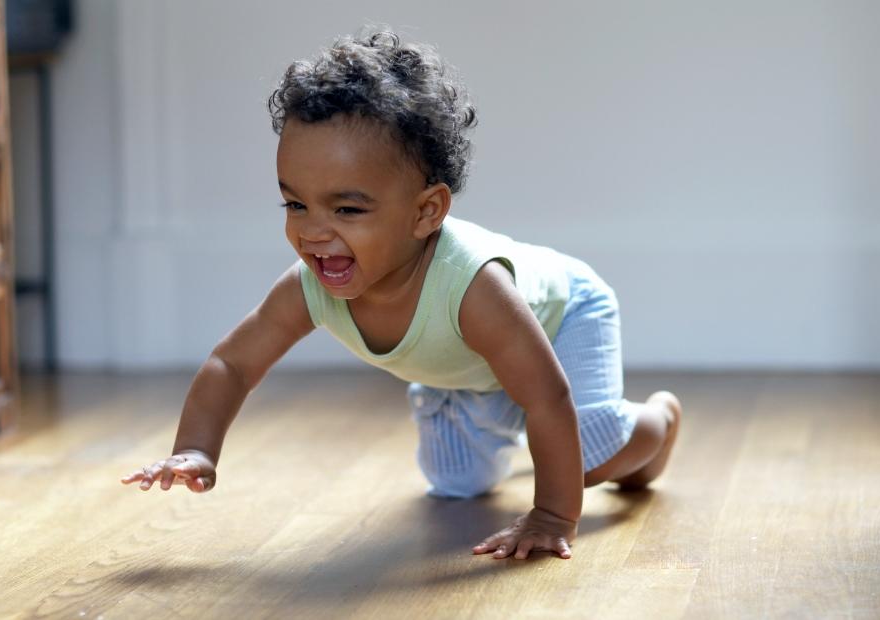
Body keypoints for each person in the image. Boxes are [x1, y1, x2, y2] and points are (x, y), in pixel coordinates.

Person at [121, 28, 681, 561]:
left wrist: (553, 515)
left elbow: (548, 397)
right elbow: (232, 364)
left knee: (586, 458)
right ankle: (498, 417)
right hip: (475, 365)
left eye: (347, 209)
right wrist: (198, 447)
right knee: (457, 484)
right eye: (295, 205)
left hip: (564, 320)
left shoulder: (474, 285)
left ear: (426, 212)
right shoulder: (312, 287)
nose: (313, 232)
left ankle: (658, 421)